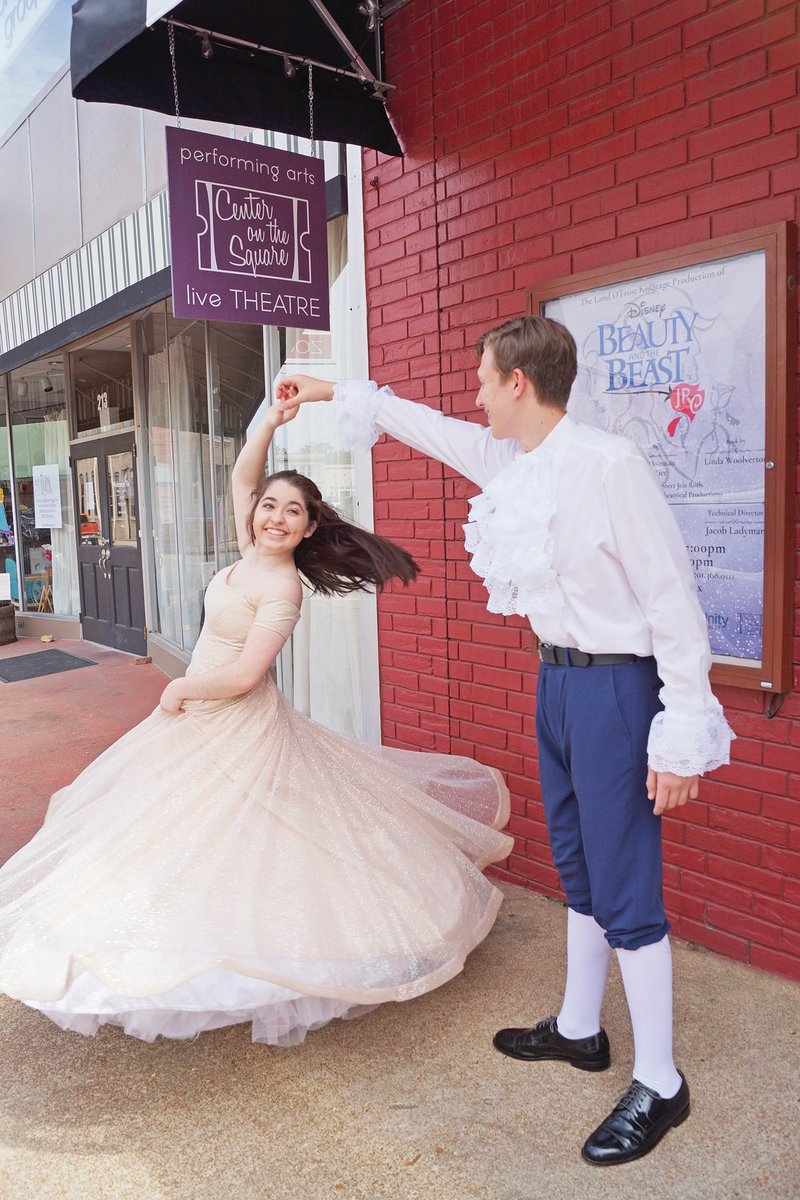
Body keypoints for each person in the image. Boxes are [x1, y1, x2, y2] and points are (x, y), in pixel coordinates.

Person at [276, 314, 734, 1166]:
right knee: (579, 863)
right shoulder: (513, 463)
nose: (477, 397)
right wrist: (334, 391)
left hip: (618, 691)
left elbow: (674, 606)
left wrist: (680, 736)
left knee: (625, 878)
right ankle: (579, 1028)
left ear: (518, 382)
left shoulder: (610, 467)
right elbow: (427, 427)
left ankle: (663, 1080)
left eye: (485, 380)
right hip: (558, 684)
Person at [0, 402, 513, 1046]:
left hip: (236, 718)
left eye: (291, 511)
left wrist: (182, 686)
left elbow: (246, 676)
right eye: (270, 506)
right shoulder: (247, 548)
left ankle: (257, 947)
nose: (274, 517)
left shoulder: (283, 589)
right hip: (197, 718)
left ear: (307, 528)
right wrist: (270, 417)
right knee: (171, 829)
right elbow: (244, 474)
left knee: (253, 836)